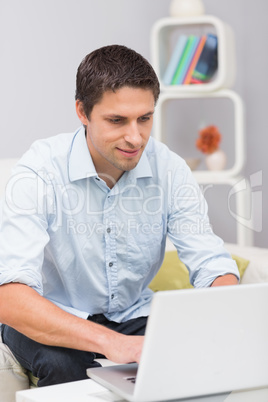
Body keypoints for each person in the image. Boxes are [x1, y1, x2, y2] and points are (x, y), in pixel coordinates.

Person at [0, 45, 239, 387]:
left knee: (203, 360)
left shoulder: (169, 168)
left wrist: (228, 313)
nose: (135, 137)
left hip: (134, 315)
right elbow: (9, 297)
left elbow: (210, 263)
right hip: (53, 316)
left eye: (145, 118)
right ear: (82, 112)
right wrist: (115, 344)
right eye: (117, 120)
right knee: (66, 366)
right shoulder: (39, 170)